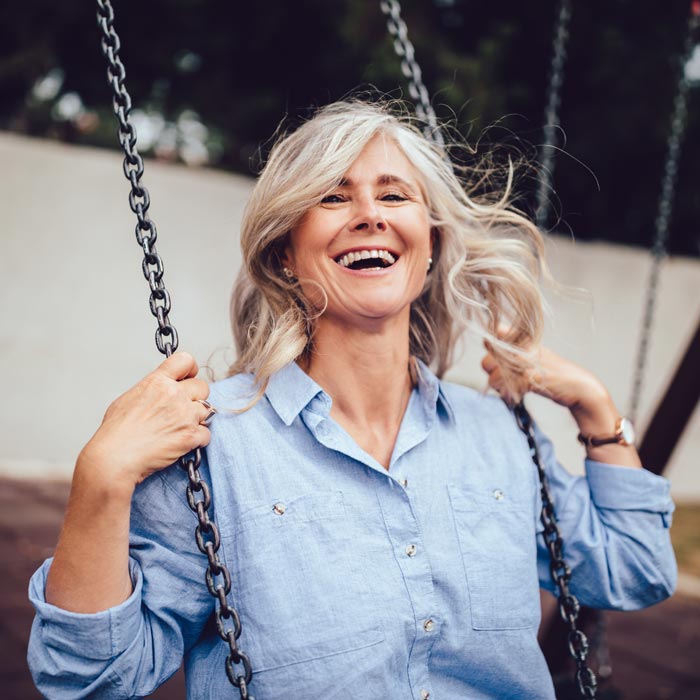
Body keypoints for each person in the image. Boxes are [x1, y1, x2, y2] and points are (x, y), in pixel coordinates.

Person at [28, 100, 676, 700]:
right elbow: (90, 679)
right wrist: (101, 480)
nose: (370, 214)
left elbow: (634, 570)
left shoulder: (497, 434)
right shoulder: (214, 444)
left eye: (394, 194)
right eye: (333, 197)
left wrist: (596, 411)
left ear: (429, 248)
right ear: (285, 252)